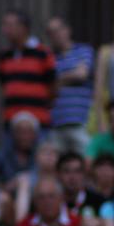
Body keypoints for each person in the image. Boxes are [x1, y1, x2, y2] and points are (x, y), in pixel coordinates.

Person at [0, 9, 56, 135]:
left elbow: (53, 87)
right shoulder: (4, 56)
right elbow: (1, 88)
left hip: (38, 120)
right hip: (11, 120)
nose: (5, 30)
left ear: (23, 28)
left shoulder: (43, 53)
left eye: (9, 25)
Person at [45, 16, 94, 156]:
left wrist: (59, 79)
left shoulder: (83, 50)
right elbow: (49, 86)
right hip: (56, 123)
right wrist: (69, 76)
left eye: (58, 30)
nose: (55, 35)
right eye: (50, 32)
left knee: (86, 161)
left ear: (67, 30)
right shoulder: (49, 57)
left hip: (81, 121)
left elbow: (82, 74)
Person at [56, 151, 104, 218]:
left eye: (77, 171)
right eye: (66, 171)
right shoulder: (49, 202)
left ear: (84, 174)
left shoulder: (99, 202)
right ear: (58, 174)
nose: (72, 177)